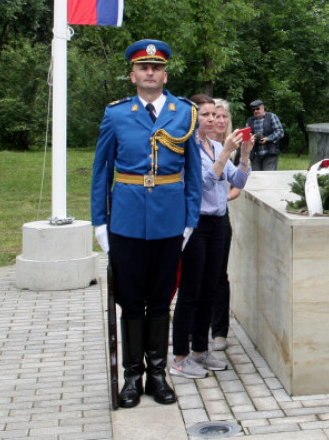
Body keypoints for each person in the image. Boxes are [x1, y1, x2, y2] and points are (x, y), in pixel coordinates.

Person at [91, 39, 202, 408]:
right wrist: (100, 223)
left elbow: (193, 173)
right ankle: (131, 378)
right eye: (143, 67)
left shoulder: (184, 112)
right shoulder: (117, 114)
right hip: (125, 223)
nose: (150, 72)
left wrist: (189, 220)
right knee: (130, 302)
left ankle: (158, 375)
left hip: (170, 223)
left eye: (156, 67)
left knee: (160, 301)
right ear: (133, 75)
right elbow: (102, 170)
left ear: (164, 73)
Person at [170, 95, 253, 379]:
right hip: (196, 224)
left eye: (212, 114)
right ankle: (180, 356)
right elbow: (202, 183)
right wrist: (222, 156)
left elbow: (238, 181)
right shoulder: (186, 148)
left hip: (218, 223)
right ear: (193, 118)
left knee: (209, 289)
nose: (210, 119)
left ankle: (200, 351)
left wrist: (243, 155)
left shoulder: (215, 145)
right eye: (204, 115)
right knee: (190, 291)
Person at [209, 98, 242, 351]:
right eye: (215, 116)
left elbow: (237, 180)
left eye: (223, 117)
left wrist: (231, 193)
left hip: (220, 215)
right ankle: (192, 327)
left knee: (220, 274)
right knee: (195, 275)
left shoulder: (230, 144)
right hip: (197, 217)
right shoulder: (198, 144)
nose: (219, 121)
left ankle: (219, 330)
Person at [245, 99, 285, 171]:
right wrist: (252, 138)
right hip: (255, 154)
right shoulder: (249, 121)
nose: (255, 111)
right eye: (253, 110)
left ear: (263, 108)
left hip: (270, 152)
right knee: (256, 178)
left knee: (269, 177)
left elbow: (280, 132)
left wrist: (268, 139)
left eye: (257, 109)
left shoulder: (271, 116)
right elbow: (246, 137)